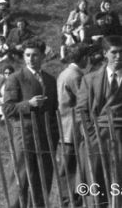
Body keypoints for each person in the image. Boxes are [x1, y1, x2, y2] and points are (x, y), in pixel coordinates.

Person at [3, 39, 59, 208]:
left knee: (43, 179)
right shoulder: (15, 78)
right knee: (20, 179)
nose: (30, 59)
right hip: (24, 136)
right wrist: (29, 104)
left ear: (42, 56)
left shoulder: (50, 80)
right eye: (27, 55)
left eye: (35, 55)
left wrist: (54, 135)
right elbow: (8, 109)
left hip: (46, 137)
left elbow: (54, 109)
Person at [77, 35, 122, 203]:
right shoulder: (90, 79)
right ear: (105, 53)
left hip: (121, 136)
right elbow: (81, 110)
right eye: (114, 52)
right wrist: (89, 133)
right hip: (97, 136)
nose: (118, 57)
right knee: (97, 186)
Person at [57, 44, 89, 207]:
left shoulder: (65, 72)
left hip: (65, 125)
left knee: (68, 165)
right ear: (84, 58)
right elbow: (83, 100)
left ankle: (69, 198)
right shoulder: (76, 76)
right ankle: (70, 200)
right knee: (70, 166)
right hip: (72, 126)